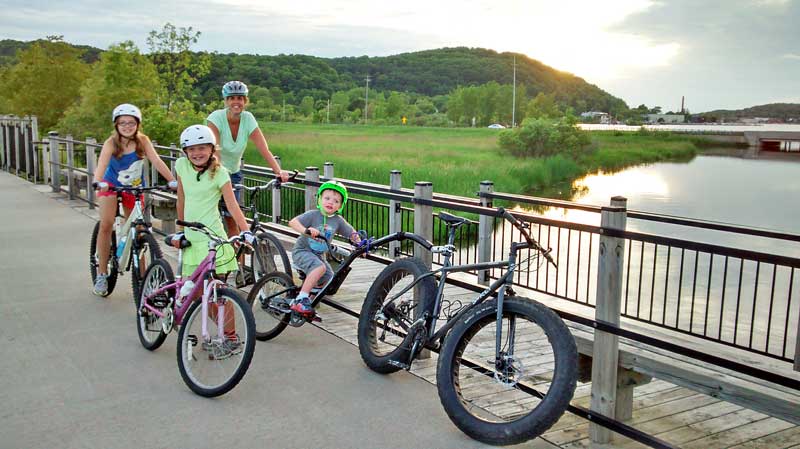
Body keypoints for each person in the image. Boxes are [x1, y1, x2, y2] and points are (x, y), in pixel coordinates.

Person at [171, 124, 255, 349]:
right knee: (197, 294)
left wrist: (245, 231)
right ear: (185, 152)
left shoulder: (220, 173)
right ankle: (215, 330)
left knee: (217, 292)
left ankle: (229, 337)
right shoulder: (181, 166)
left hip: (214, 240)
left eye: (202, 148)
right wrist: (179, 230)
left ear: (211, 149)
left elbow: (232, 205)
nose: (197, 153)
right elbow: (181, 199)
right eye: (192, 149)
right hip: (191, 237)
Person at [93, 103, 177, 297]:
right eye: (122, 123)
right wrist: (97, 181)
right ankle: (102, 273)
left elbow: (156, 161)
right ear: (116, 125)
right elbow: (102, 163)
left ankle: (144, 278)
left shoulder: (143, 141)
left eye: (131, 123)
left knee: (139, 231)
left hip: (135, 186)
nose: (127, 126)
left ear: (137, 124)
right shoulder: (111, 143)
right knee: (106, 225)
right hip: (110, 184)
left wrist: (172, 181)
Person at [206, 80, 289, 239]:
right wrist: (221, 174)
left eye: (240, 98)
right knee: (210, 219)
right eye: (232, 98)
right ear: (226, 101)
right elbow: (214, 151)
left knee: (233, 221)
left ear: (245, 101)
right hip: (213, 174)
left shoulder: (248, 119)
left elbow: (263, 149)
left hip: (234, 174)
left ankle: (237, 262)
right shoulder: (215, 118)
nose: (236, 102)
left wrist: (278, 172)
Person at [287, 180, 361, 316]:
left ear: (340, 206)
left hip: (319, 256)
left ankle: (309, 301)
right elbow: (292, 222)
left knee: (330, 278)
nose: (330, 202)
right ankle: (301, 299)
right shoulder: (313, 215)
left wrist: (360, 243)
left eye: (336, 201)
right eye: (327, 198)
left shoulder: (338, 220)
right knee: (319, 268)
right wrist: (306, 230)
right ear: (320, 199)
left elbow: (351, 233)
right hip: (303, 251)